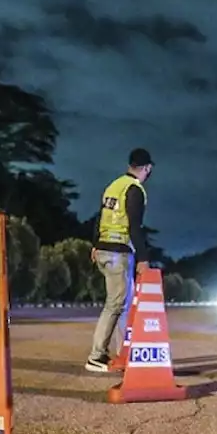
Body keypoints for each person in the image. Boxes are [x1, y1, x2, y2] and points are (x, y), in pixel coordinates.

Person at [85, 148, 153, 373]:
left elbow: (99, 216)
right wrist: (143, 258)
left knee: (122, 304)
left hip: (104, 249)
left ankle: (125, 353)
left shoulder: (114, 186)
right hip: (118, 252)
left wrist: (95, 243)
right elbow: (134, 226)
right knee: (115, 304)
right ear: (147, 168)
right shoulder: (134, 189)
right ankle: (96, 356)